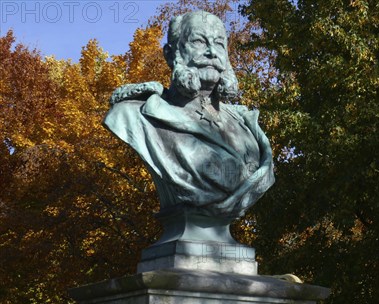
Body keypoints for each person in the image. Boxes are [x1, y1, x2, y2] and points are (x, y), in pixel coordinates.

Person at [103, 11, 275, 225]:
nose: (212, 52)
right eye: (199, 42)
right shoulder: (134, 115)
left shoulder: (246, 125)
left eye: (220, 44)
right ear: (170, 54)